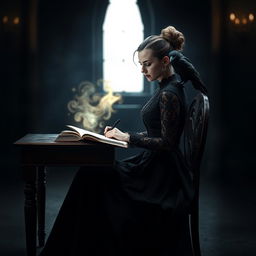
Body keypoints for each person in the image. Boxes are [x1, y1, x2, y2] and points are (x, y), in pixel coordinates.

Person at [40, 25, 206, 256]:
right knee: (92, 173)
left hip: (160, 177)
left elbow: (168, 143)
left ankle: (71, 249)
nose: (143, 70)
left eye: (147, 64)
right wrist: (122, 138)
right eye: (141, 65)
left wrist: (128, 137)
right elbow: (164, 135)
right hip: (154, 167)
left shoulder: (169, 93)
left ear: (166, 60)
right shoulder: (168, 87)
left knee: (91, 175)